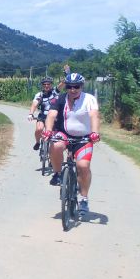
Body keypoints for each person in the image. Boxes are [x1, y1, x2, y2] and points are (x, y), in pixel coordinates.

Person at [43, 72, 101, 216]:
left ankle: (84, 199)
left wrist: (95, 132)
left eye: (76, 86)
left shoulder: (89, 99)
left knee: (83, 166)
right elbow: (51, 115)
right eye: (69, 86)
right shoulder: (60, 98)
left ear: (81, 86)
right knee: (55, 145)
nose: (73, 89)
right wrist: (48, 130)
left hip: (84, 137)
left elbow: (94, 115)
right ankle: (57, 174)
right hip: (64, 133)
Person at [28, 76, 59, 150]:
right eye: (44, 84)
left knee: (52, 134)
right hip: (42, 116)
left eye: (48, 84)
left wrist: (67, 75)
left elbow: (61, 85)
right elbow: (35, 104)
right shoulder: (39, 95)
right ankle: (37, 142)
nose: (46, 86)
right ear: (42, 85)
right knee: (39, 129)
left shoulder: (55, 92)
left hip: (53, 117)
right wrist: (31, 114)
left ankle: (52, 150)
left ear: (51, 84)